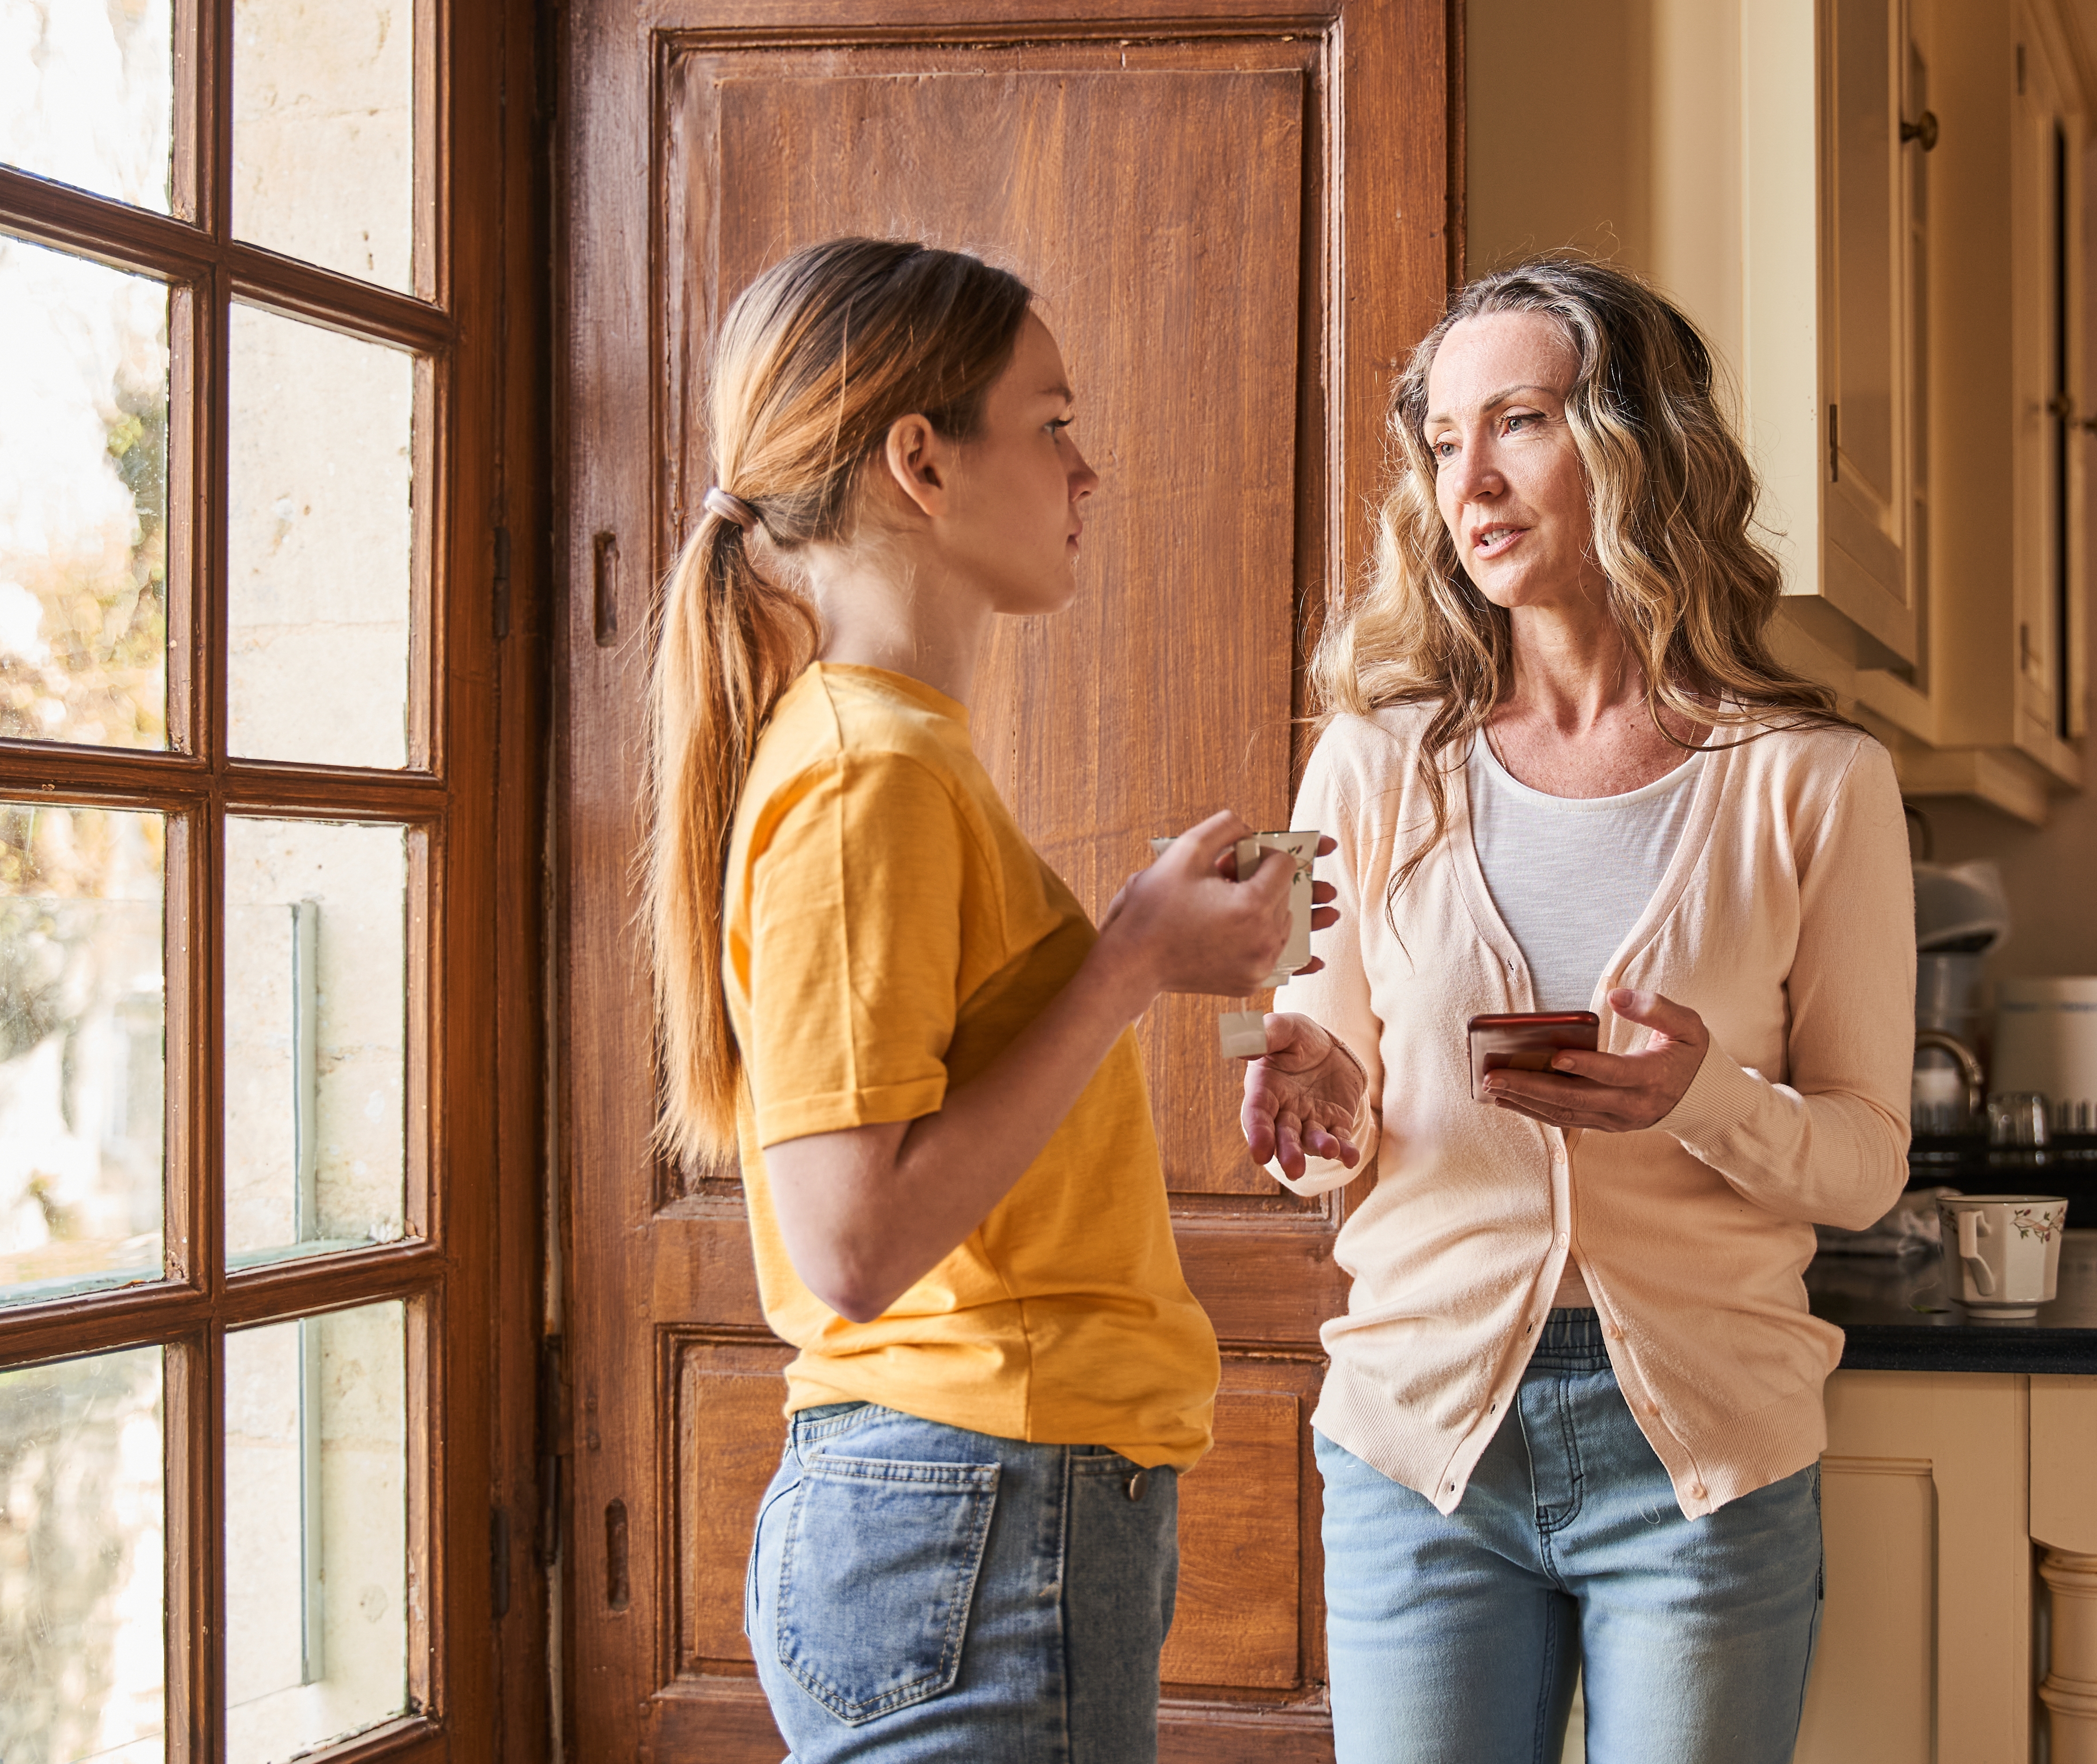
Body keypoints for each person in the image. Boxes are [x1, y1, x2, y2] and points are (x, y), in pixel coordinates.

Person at [645, 236, 1336, 1763]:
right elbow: (854, 1244)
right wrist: (1134, 958)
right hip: (977, 1509)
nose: (1087, 472)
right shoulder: (863, 774)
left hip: (976, 1510)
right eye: (1052, 423)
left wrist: (1161, 950)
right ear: (921, 461)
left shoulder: (896, 756)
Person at [1239, 257, 1915, 1763]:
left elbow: (1871, 1162)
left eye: (1521, 423)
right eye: (1441, 440)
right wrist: (1311, 1110)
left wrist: (1706, 1100)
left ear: (1634, 446)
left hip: (1704, 1451)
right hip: (1422, 1441)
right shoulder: (1366, 764)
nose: (1467, 479)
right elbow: (1323, 1127)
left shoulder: (1819, 784)